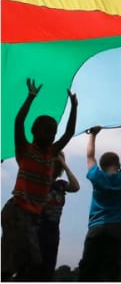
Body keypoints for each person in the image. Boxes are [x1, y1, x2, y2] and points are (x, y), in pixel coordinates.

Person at [1, 78, 78, 281]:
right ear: (34, 131)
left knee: (23, 263)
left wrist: (74, 107)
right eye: (47, 130)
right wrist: (30, 97)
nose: (51, 136)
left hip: (30, 216)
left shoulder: (51, 153)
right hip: (16, 211)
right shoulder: (25, 150)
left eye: (53, 132)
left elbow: (68, 133)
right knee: (26, 261)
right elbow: (18, 122)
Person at [78, 123, 121, 281]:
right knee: (109, 272)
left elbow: (90, 156)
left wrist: (93, 134)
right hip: (116, 230)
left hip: (96, 228)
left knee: (88, 270)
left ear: (101, 166)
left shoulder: (97, 176)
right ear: (118, 165)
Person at [36, 152, 81, 282]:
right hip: (37, 232)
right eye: (52, 163)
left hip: (52, 235)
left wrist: (64, 164)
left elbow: (75, 187)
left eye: (57, 164)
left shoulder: (60, 184)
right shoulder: (40, 181)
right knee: (32, 271)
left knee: (47, 273)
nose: (54, 167)